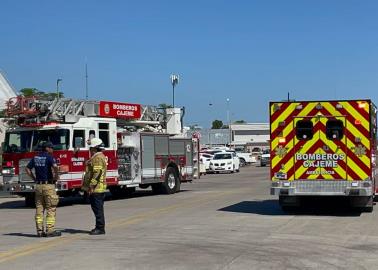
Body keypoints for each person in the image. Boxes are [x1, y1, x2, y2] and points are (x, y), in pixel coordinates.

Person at [26, 141, 61, 237]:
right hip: (48, 186)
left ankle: (39, 231)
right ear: (47, 148)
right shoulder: (49, 157)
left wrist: (34, 179)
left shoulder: (36, 157)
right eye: (51, 148)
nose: (53, 150)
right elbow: (55, 167)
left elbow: (27, 169)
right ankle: (50, 230)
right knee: (51, 208)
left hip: (38, 186)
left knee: (39, 209)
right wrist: (56, 176)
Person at [82, 137, 107, 235]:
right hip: (97, 188)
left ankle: (100, 228)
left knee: (98, 209)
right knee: (97, 209)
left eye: (91, 148)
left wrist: (91, 186)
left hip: (97, 189)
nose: (89, 150)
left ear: (95, 148)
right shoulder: (97, 157)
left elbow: (97, 173)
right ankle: (99, 227)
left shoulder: (97, 158)